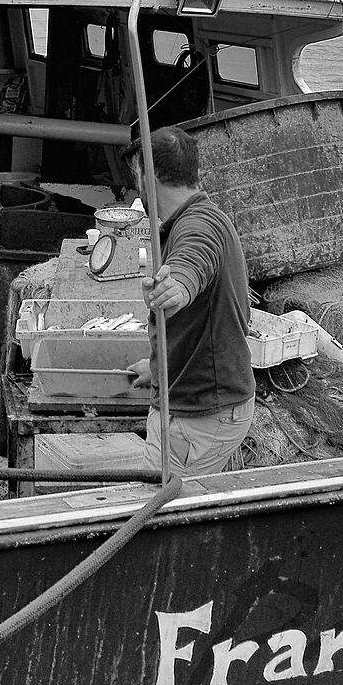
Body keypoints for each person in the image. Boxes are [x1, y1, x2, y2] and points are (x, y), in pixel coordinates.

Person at [124, 126, 256, 474]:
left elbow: (193, 261)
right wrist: (158, 369)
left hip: (199, 416)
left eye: (135, 174)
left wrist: (178, 286)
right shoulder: (200, 214)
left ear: (148, 174)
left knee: (158, 516)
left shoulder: (198, 225)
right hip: (203, 401)